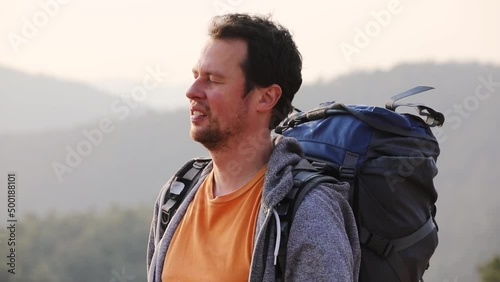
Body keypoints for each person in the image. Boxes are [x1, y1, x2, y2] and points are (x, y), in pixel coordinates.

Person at [147, 13, 360, 282]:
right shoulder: (176, 194)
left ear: (266, 97)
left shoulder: (308, 211)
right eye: (196, 76)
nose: (192, 91)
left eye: (213, 79)